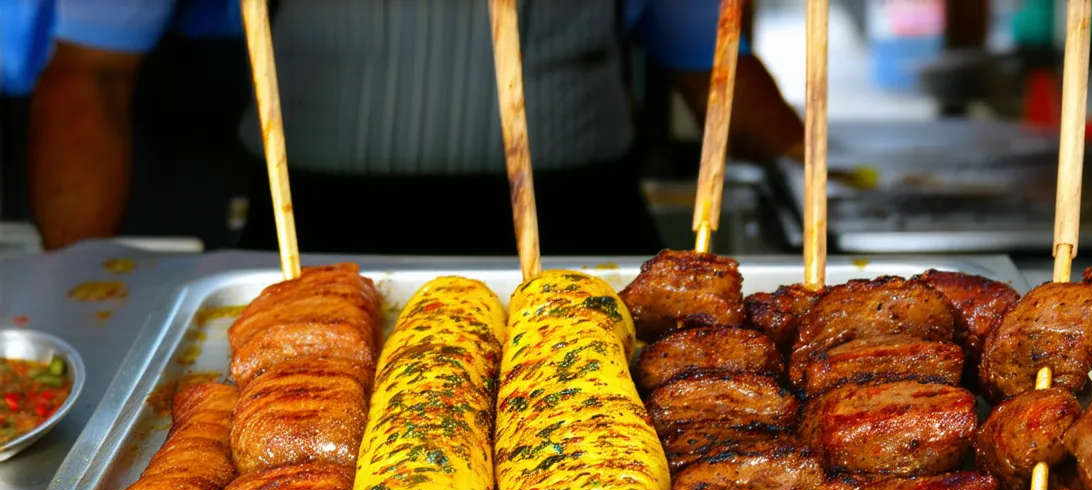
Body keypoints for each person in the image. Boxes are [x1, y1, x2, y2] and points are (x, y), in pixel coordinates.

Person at [31, 0, 808, 255]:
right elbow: (91, 72)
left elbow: (712, 64)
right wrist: (75, 286)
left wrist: (809, 164)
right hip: (310, 226)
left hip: (575, 224)